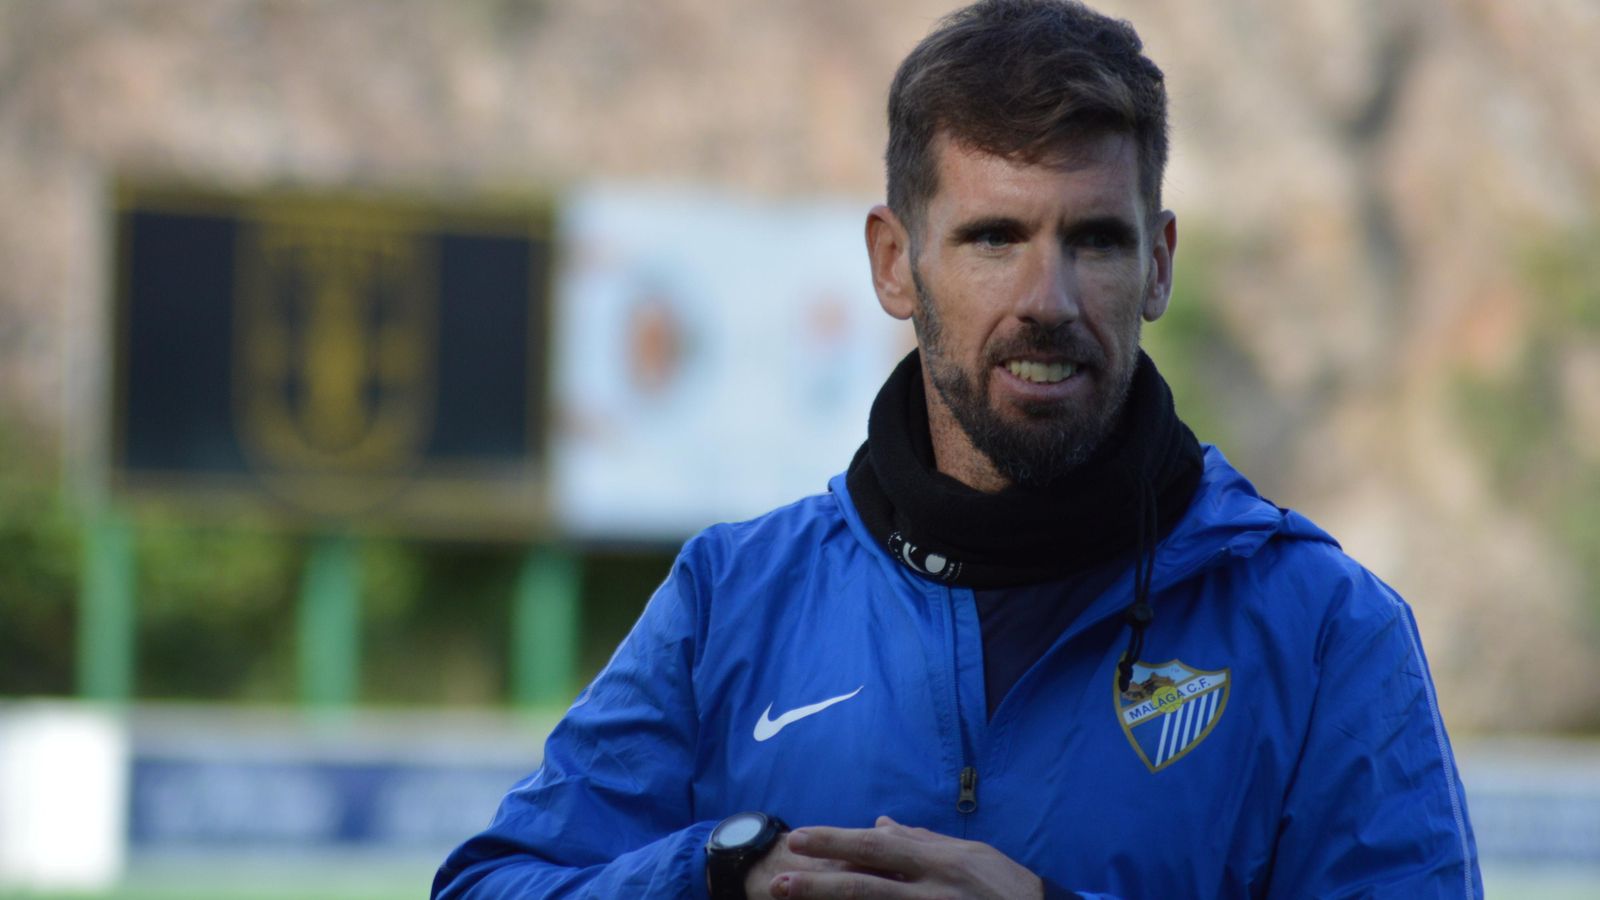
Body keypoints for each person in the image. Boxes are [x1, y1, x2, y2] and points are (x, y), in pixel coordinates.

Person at [433, 0, 1482, 896]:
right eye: (993, 239)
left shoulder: (1324, 629)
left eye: (1096, 242)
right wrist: (717, 872)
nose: (1048, 301)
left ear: (1157, 265)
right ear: (896, 263)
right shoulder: (732, 600)